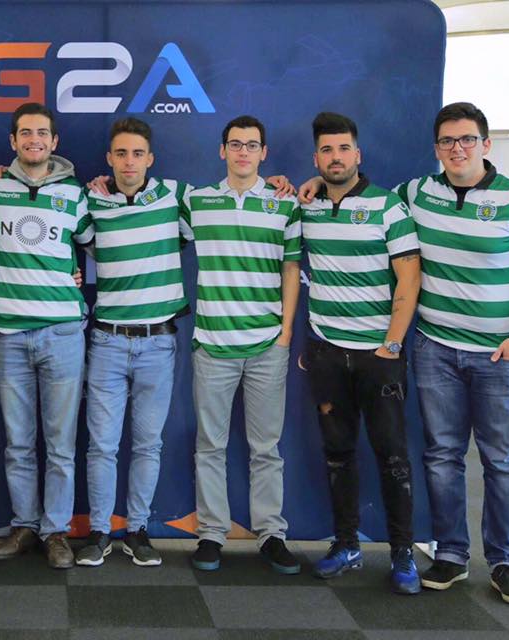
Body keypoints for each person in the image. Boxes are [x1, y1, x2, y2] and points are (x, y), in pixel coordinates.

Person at [398, 102, 509, 604]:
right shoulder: (416, 193)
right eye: (447, 141)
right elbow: (368, 201)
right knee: (442, 457)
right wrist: (314, 185)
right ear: (436, 148)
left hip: (500, 358)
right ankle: (451, 555)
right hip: (436, 349)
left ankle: (506, 563)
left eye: (467, 139)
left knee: (503, 462)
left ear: (485, 144)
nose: (457, 149)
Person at [299, 112, 422, 594]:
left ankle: (403, 554)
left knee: (393, 457)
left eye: (344, 148)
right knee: (338, 455)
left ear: (358, 154)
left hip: (379, 357)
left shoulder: (388, 207)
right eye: (327, 150)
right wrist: (303, 185)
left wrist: (391, 344)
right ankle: (346, 545)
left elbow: (409, 278)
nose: (336, 157)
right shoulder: (306, 205)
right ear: (316, 158)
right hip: (328, 354)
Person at [183, 115, 302, 573]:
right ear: (222, 151)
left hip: (266, 345)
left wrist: (284, 334)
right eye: (235, 144)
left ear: (263, 153)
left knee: (266, 448)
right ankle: (212, 534)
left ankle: (271, 534)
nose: (243, 152)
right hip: (213, 345)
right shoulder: (196, 202)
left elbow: (291, 269)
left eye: (252, 145)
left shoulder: (284, 204)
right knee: (209, 446)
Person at [75, 117, 192, 568]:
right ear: (109, 158)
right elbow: (69, 242)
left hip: (158, 344)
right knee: (101, 446)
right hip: (107, 341)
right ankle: (100, 532)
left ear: (150, 159)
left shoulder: (176, 197)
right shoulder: (91, 202)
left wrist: (291, 184)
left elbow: (233, 198)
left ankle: (138, 530)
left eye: (137, 154)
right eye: (121, 153)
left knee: (147, 445)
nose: (129, 162)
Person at [0, 102, 93, 569]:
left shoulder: (76, 194)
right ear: (13, 141)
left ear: (54, 142)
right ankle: (25, 525)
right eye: (25, 133)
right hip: (9, 335)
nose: (34, 140)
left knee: (61, 445)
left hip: (62, 333)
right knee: (18, 444)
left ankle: (56, 531)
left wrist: (77, 277)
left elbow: (96, 247)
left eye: (42, 133)